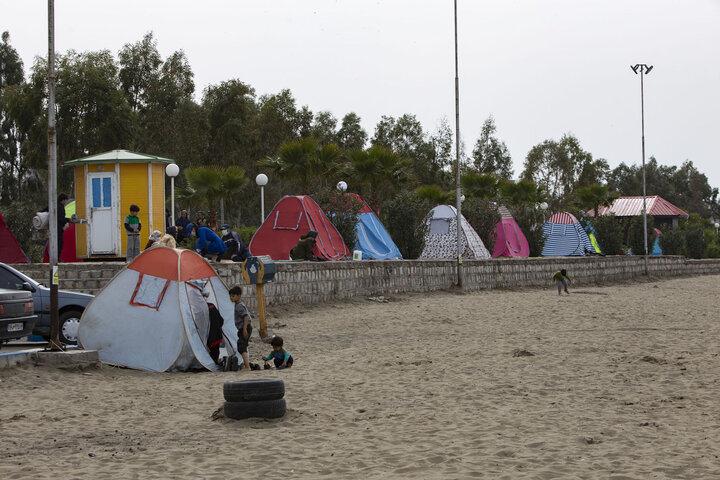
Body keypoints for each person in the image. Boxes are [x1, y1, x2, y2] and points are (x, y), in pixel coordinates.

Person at [229, 285, 252, 372]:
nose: (231, 298)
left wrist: (245, 329)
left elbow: (246, 316)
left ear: (238, 295)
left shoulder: (239, 306)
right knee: (242, 346)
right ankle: (247, 365)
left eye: (233, 296)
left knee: (242, 346)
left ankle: (247, 367)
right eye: (230, 296)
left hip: (244, 328)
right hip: (242, 328)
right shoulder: (237, 305)